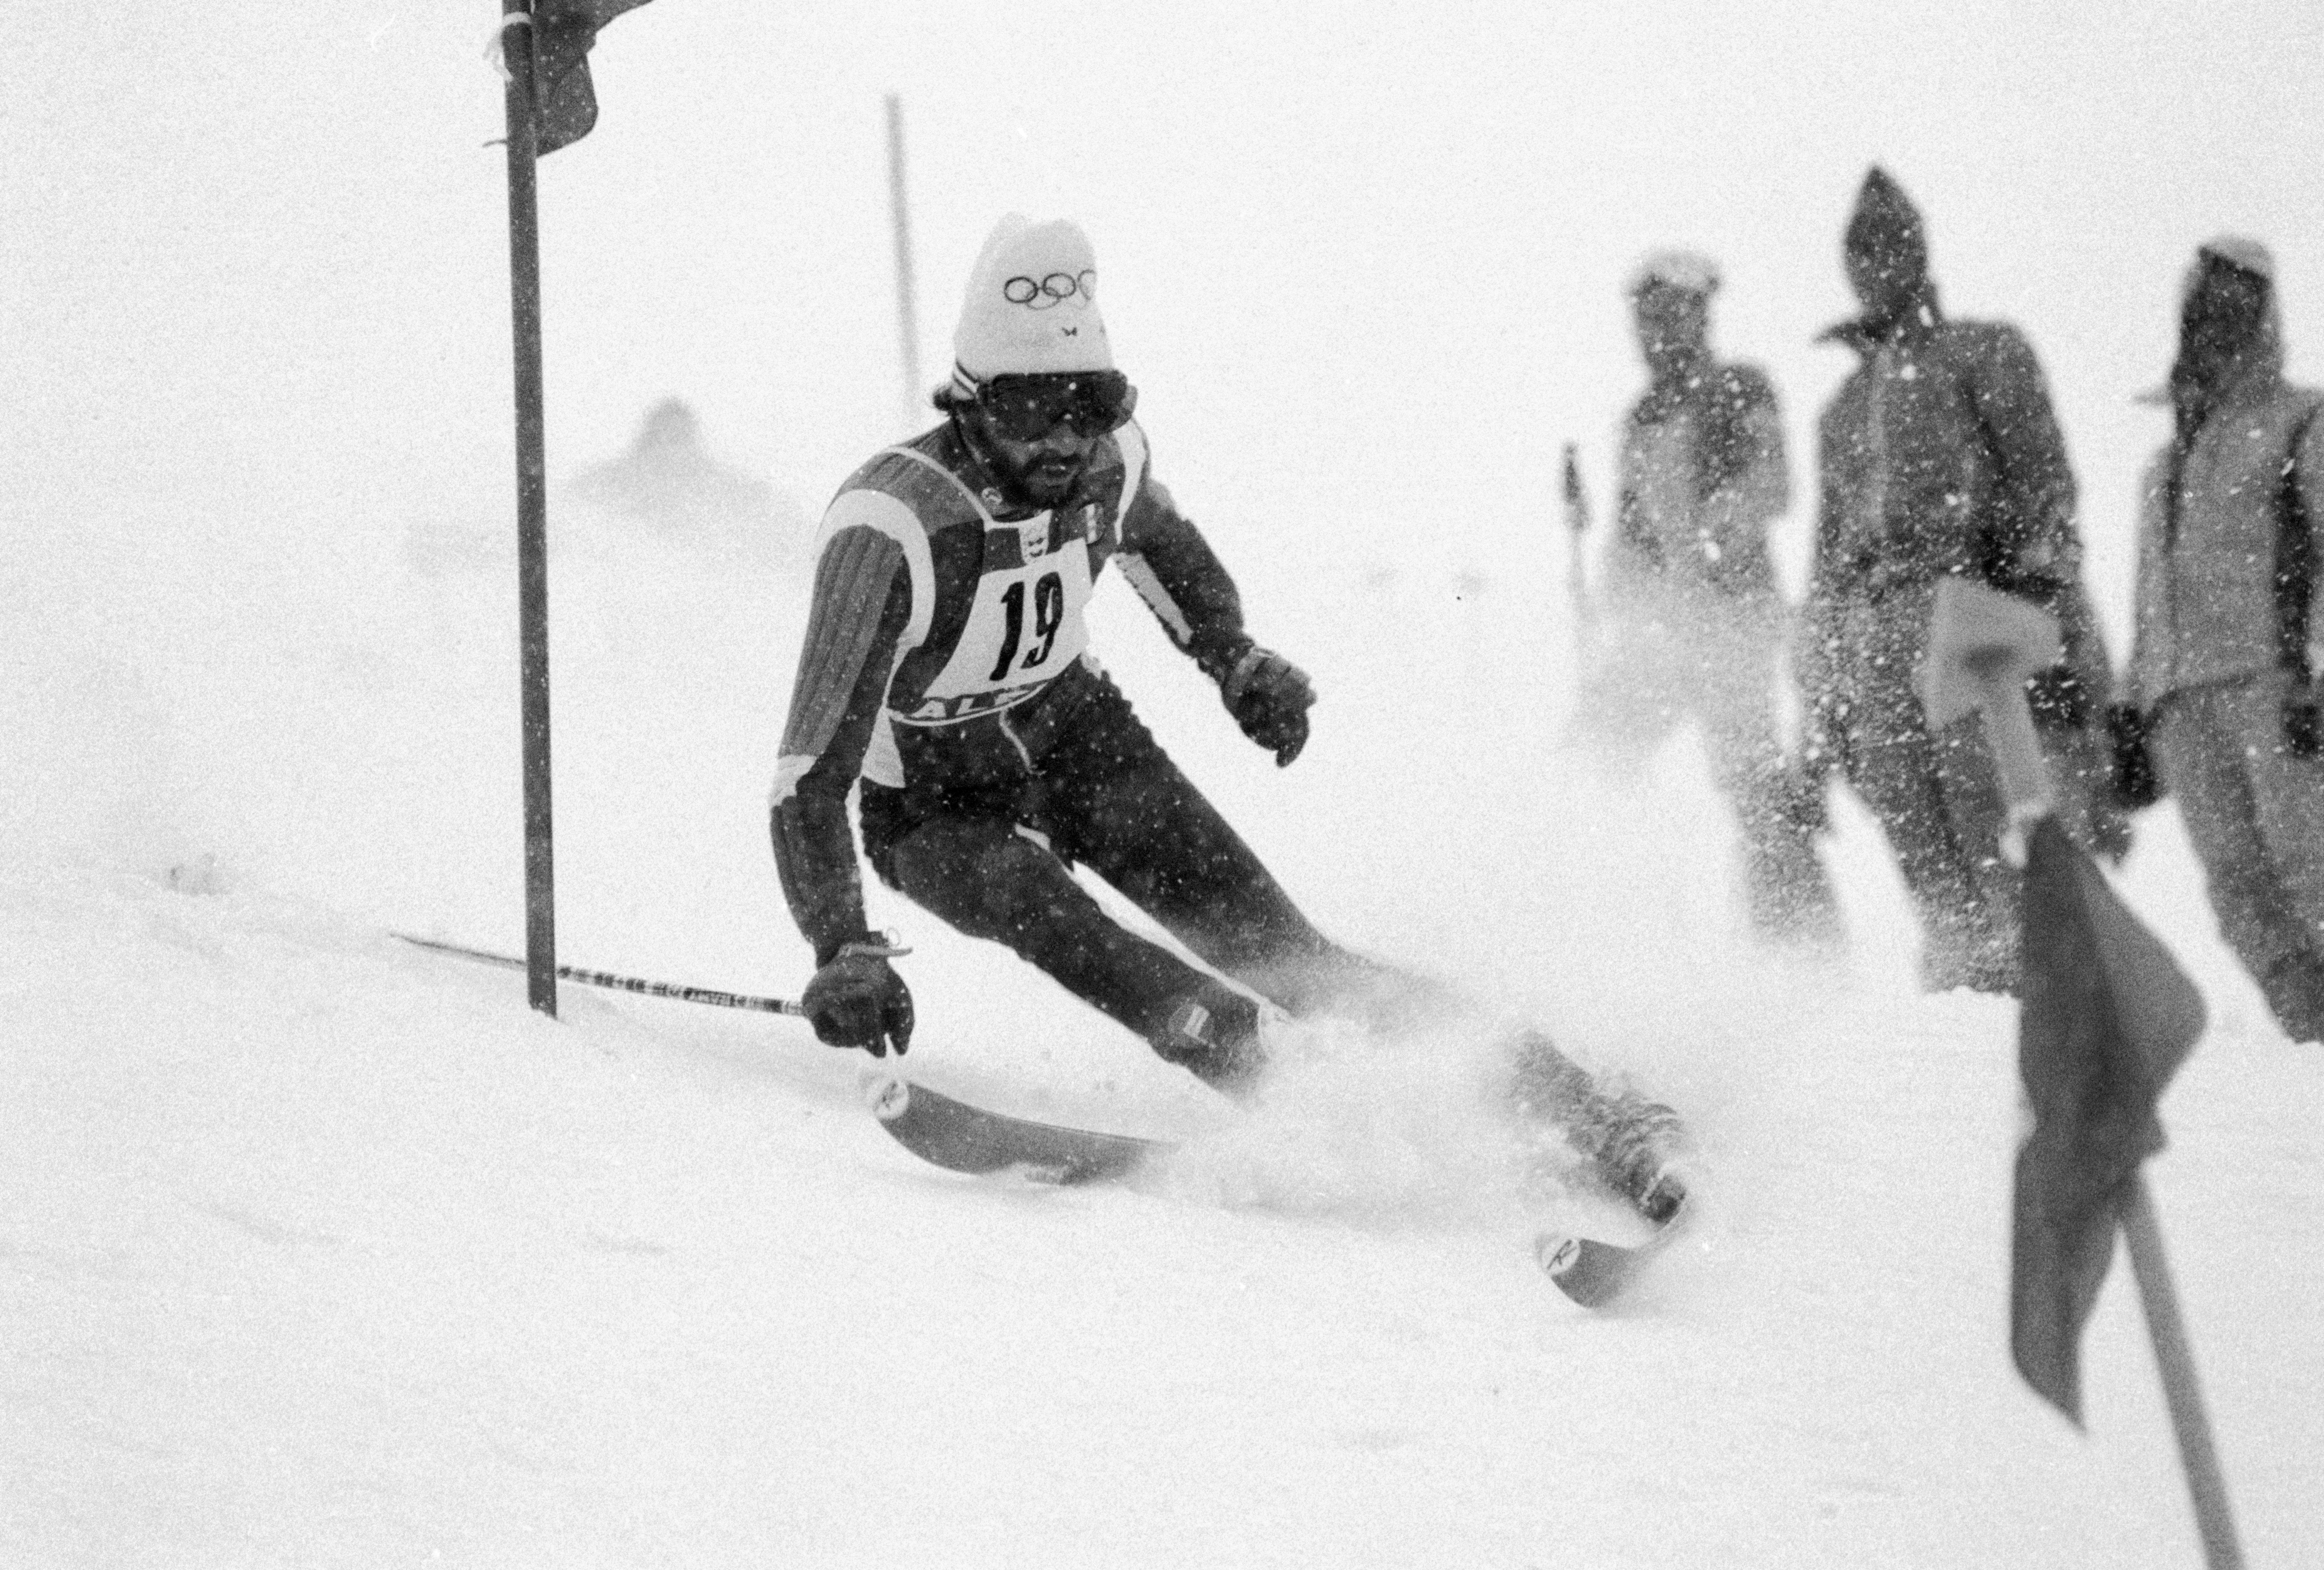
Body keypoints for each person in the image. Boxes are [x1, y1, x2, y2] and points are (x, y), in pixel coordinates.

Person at [768, 215, 1682, 1202]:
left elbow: (1164, 549)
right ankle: (1303, 1093)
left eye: (1088, 405)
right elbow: (809, 774)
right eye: (1031, 410)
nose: (1063, 438)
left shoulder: (1107, 465)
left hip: (1074, 735)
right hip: (932, 803)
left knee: (1287, 956)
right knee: (1058, 920)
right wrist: (842, 943)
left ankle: (1586, 1105)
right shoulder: (896, 523)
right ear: (970, 402)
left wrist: (1235, 659)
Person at [1800, 167, 2127, 994]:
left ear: (1920, 249)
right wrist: (1821, 702)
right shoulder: (1841, 410)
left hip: (1965, 598)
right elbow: (1828, 567)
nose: (1878, 261)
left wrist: (2046, 609)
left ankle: (2037, 977)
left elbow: (2044, 486)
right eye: (1862, 249)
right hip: (1874, 626)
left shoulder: (1981, 351)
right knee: (1908, 812)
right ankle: (1961, 982)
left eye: (1892, 242)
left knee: (1984, 798)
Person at [1570, 249, 1842, 951]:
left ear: (1699, 317)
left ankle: (1797, 940)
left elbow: (1771, 485)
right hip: (1668, 626)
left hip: (1731, 618)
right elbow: (1631, 530)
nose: (1656, 333)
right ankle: (1599, 913)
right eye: (1646, 319)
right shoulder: (1642, 415)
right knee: (1597, 748)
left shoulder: (1738, 388)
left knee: (1753, 781)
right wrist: (1618, 598)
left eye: (1671, 316)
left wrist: (1716, 535)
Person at [2120, 237, 2324, 1043]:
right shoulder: (2163, 467)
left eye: (2236, 305)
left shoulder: (2302, 423)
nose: (2217, 323)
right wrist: (2132, 706)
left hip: (2275, 684)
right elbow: (2148, 597)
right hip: (2182, 703)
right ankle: (2309, 1037)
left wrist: (2317, 671)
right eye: (2204, 308)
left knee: (2311, 865)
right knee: (2239, 892)